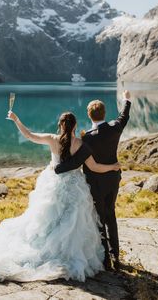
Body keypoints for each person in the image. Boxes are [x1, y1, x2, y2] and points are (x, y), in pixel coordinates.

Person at [0, 112, 120, 283]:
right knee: (73, 219)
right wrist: (112, 167)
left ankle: (44, 247)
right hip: (75, 188)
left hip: (53, 184)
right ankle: (67, 253)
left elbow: (29, 135)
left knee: (45, 220)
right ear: (75, 126)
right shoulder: (80, 144)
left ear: (60, 125)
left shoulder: (52, 139)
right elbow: (95, 167)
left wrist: (16, 120)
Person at [55, 91, 131, 271]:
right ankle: (116, 256)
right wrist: (127, 99)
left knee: (99, 218)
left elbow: (76, 161)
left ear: (89, 115)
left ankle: (105, 259)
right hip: (113, 179)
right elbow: (124, 115)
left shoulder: (86, 138)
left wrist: (58, 169)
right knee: (111, 214)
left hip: (94, 182)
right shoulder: (115, 127)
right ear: (104, 113)